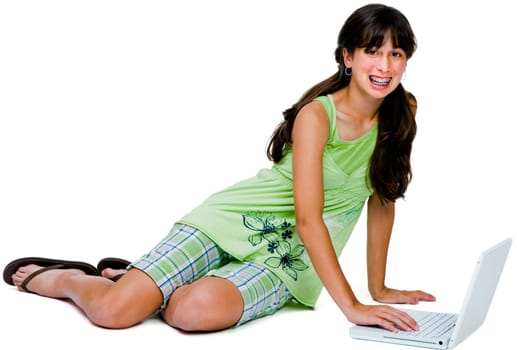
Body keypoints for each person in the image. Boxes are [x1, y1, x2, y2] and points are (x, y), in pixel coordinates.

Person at [3, 4, 435, 332]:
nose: (384, 66)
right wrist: (353, 306)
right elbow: (308, 217)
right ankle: (66, 279)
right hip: (231, 221)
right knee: (114, 313)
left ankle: (142, 278)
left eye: (396, 54)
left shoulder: (403, 110)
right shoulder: (317, 116)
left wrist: (378, 288)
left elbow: (383, 195)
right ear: (347, 56)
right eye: (372, 52)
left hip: (286, 261)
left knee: (190, 314)